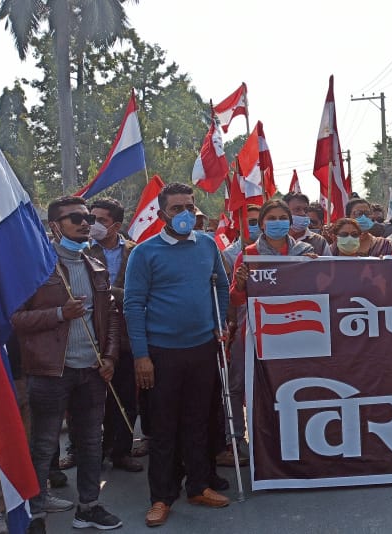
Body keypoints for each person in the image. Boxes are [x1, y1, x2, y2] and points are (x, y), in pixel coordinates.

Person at [123, 183, 232, 527]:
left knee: (199, 422)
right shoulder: (145, 252)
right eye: (176, 209)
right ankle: (161, 497)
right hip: (162, 353)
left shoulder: (207, 244)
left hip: (202, 347)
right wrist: (141, 355)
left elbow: (220, 287)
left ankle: (198, 485)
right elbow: (133, 304)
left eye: (190, 206)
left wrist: (220, 324)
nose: (185, 214)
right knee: (164, 428)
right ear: (162, 213)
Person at [15, 196, 124, 532]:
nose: (84, 222)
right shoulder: (35, 268)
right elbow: (15, 319)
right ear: (54, 225)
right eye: (74, 217)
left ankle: (88, 506)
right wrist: (60, 313)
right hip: (50, 372)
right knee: (44, 443)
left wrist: (109, 357)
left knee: (92, 441)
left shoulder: (96, 265)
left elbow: (111, 318)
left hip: (92, 371)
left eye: (87, 217)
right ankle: (35, 512)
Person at [86, 197, 144, 474]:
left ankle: (121, 451)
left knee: (125, 396)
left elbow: (141, 293)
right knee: (89, 399)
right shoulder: (83, 250)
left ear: (117, 225)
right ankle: (86, 450)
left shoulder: (136, 252)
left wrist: (111, 293)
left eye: (101, 220)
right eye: (90, 219)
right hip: (91, 335)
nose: (93, 225)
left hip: (127, 335)